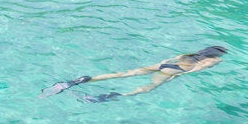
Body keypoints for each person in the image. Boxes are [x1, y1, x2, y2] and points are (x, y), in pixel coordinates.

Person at [41, 46, 228, 102]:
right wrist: (178, 75)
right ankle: (112, 96)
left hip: (165, 64)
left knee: (123, 74)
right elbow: (196, 69)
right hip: (177, 69)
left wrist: (166, 67)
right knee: (148, 88)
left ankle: (78, 81)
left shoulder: (191, 53)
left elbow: (171, 58)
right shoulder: (213, 60)